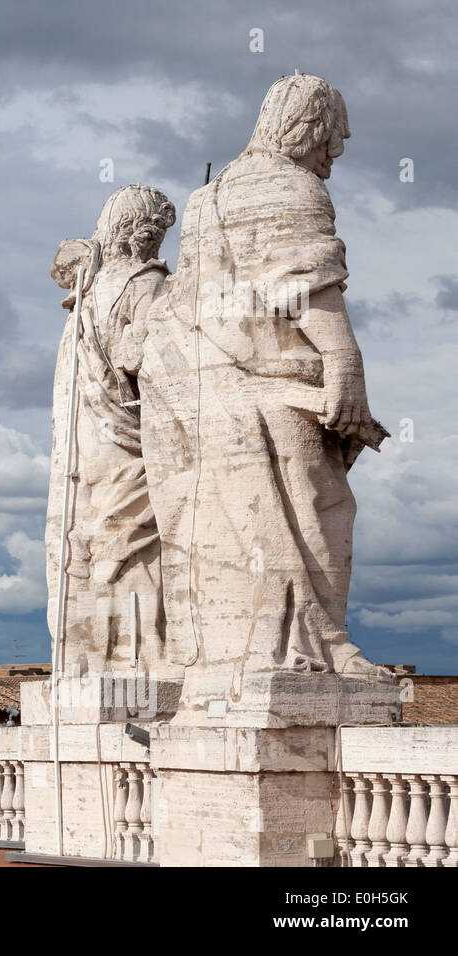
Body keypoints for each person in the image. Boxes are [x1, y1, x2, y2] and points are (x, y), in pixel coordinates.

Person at [138, 74, 389, 701]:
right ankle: (312, 647)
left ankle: (238, 660)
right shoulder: (290, 186)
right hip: (268, 388)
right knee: (320, 509)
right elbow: (303, 284)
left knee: (226, 530)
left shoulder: (206, 198)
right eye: (334, 137)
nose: (338, 151)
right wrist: (345, 366)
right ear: (309, 128)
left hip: (196, 394)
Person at [46, 185, 177, 677]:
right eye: (159, 233)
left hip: (88, 444)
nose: (161, 244)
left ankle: (95, 658)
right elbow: (134, 356)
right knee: (137, 542)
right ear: (142, 234)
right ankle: (142, 658)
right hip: (129, 440)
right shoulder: (144, 283)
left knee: (101, 542)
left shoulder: (84, 296)